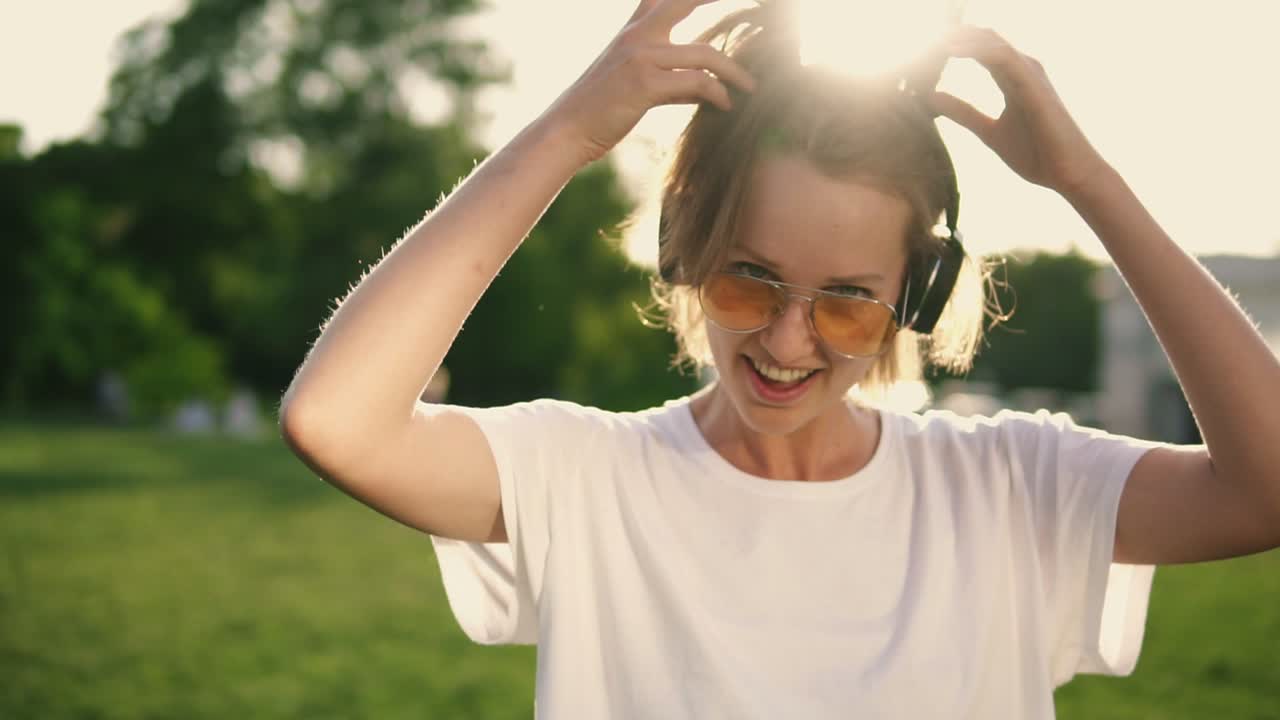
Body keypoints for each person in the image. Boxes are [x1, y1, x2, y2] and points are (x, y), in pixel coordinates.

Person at [280, 1, 1280, 716]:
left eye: (847, 302)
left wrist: (1087, 182)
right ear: (685, 251)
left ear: (912, 300)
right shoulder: (586, 480)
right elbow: (336, 422)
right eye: (749, 280)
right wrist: (565, 133)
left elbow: (1264, 489)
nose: (787, 340)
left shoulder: (1008, 485)